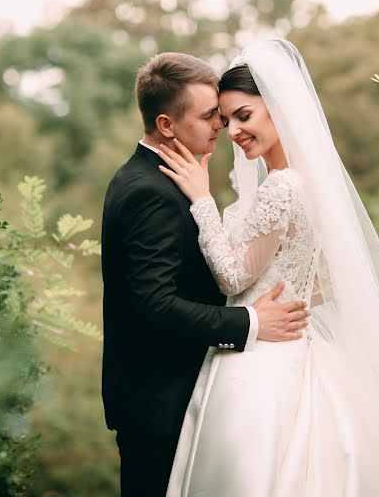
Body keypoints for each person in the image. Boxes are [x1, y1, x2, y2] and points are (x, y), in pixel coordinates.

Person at [156, 39, 379, 496]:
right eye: (226, 120)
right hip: (294, 344)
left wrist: (203, 201)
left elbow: (232, 278)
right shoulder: (304, 183)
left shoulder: (282, 187)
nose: (232, 131)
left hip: (264, 362)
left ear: (279, 109)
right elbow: (327, 281)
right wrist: (289, 297)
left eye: (244, 116)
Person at [100, 52, 310, 497]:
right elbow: (154, 306)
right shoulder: (150, 192)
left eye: (231, 115)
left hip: (206, 390)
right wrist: (251, 321)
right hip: (160, 403)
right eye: (212, 116)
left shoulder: (164, 179)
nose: (224, 128)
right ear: (167, 126)